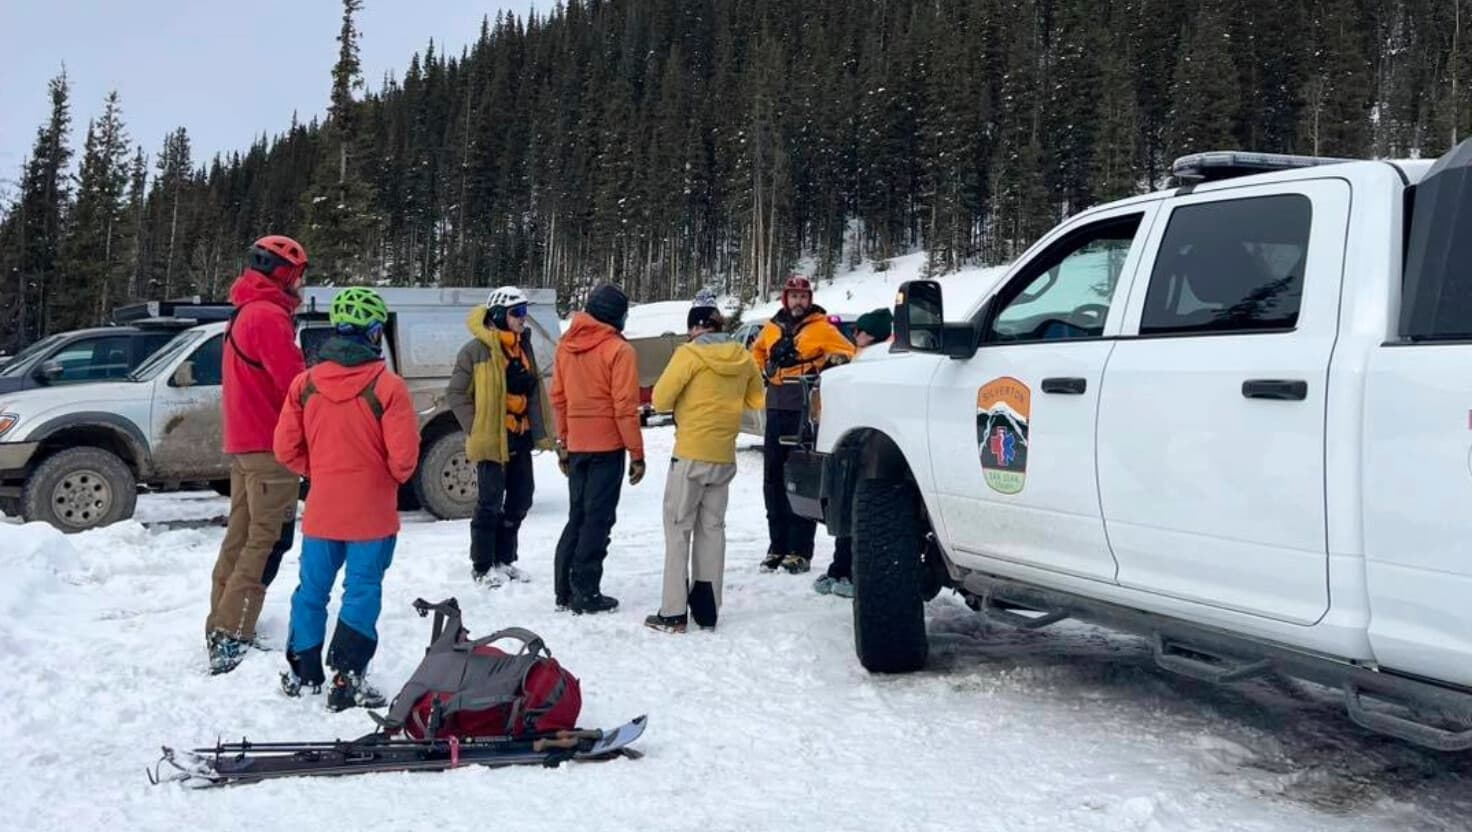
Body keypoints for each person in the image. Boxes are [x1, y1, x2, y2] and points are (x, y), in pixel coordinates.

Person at [273, 288, 420, 711]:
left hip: (323, 509)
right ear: (374, 334)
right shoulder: (388, 386)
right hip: (371, 514)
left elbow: (285, 448)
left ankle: (304, 674)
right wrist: (382, 479)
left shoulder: (305, 384)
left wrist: (318, 472)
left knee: (311, 591)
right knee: (362, 590)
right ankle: (347, 678)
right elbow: (405, 459)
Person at [205, 235, 309, 675]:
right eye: (299, 276)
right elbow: (294, 382)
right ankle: (232, 633)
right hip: (270, 446)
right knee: (266, 541)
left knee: (243, 536)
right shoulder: (268, 317)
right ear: (283, 275)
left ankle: (221, 621)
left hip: (247, 444)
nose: (302, 285)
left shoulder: (246, 311)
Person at [644, 294, 765, 633]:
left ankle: (672, 612)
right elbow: (756, 399)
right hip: (723, 455)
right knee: (713, 530)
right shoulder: (743, 357)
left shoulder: (689, 354)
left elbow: (660, 399)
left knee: (678, 528)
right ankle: (707, 609)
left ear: (694, 328)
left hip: (690, 454)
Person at [446, 286, 555, 588]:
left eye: (524, 312)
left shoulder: (524, 346)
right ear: (498, 315)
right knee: (489, 502)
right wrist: (476, 427)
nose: (523, 319)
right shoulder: (475, 350)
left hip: (519, 436)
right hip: (492, 439)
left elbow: (533, 391)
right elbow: (456, 393)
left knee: (521, 499)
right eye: (517, 313)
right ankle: (482, 565)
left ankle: (504, 560)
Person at [750, 274, 856, 575]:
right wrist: (765, 367)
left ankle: (800, 549)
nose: (798, 301)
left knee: (799, 476)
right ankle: (777, 545)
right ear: (785, 298)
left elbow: (849, 353)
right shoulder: (772, 327)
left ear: (810, 299)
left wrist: (820, 364)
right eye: (793, 296)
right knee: (772, 478)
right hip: (776, 403)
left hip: (804, 405)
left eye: (803, 296)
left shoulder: (821, 328)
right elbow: (755, 352)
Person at [550, 283, 646, 614]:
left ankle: (563, 588)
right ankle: (585, 591)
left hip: (576, 443)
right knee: (598, 519)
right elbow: (624, 407)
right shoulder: (619, 350)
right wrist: (637, 453)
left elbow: (558, 398)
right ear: (617, 316)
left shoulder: (566, 345)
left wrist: (563, 441)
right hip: (607, 445)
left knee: (577, 515)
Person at [814, 307, 892, 598]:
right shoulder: (868, 358)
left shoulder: (872, 361)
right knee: (848, 508)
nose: (854, 335)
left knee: (852, 509)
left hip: (860, 447)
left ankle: (849, 571)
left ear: (869, 335)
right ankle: (840, 568)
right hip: (861, 445)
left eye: (858, 330)